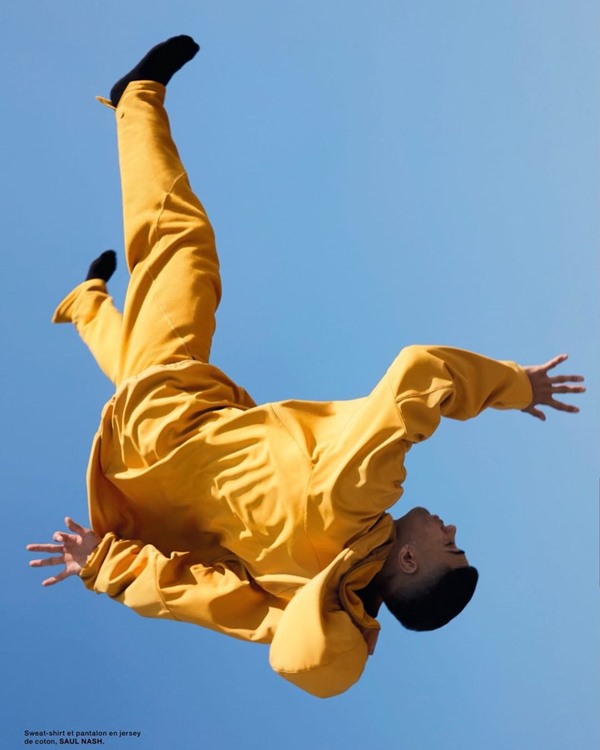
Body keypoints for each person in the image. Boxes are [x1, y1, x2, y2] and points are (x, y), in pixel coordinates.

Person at [27, 35, 585, 698]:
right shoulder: (296, 602)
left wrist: (516, 385)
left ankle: (135, 101)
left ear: (409, 561)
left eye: (450, 548)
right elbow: (191, 597)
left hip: (171, 418)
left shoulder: (355, 500)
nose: (452, 531)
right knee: (143, 360)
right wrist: (103, 567)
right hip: (161, 454)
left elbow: (420, 373)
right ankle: (85, 301)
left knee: (182, 249)